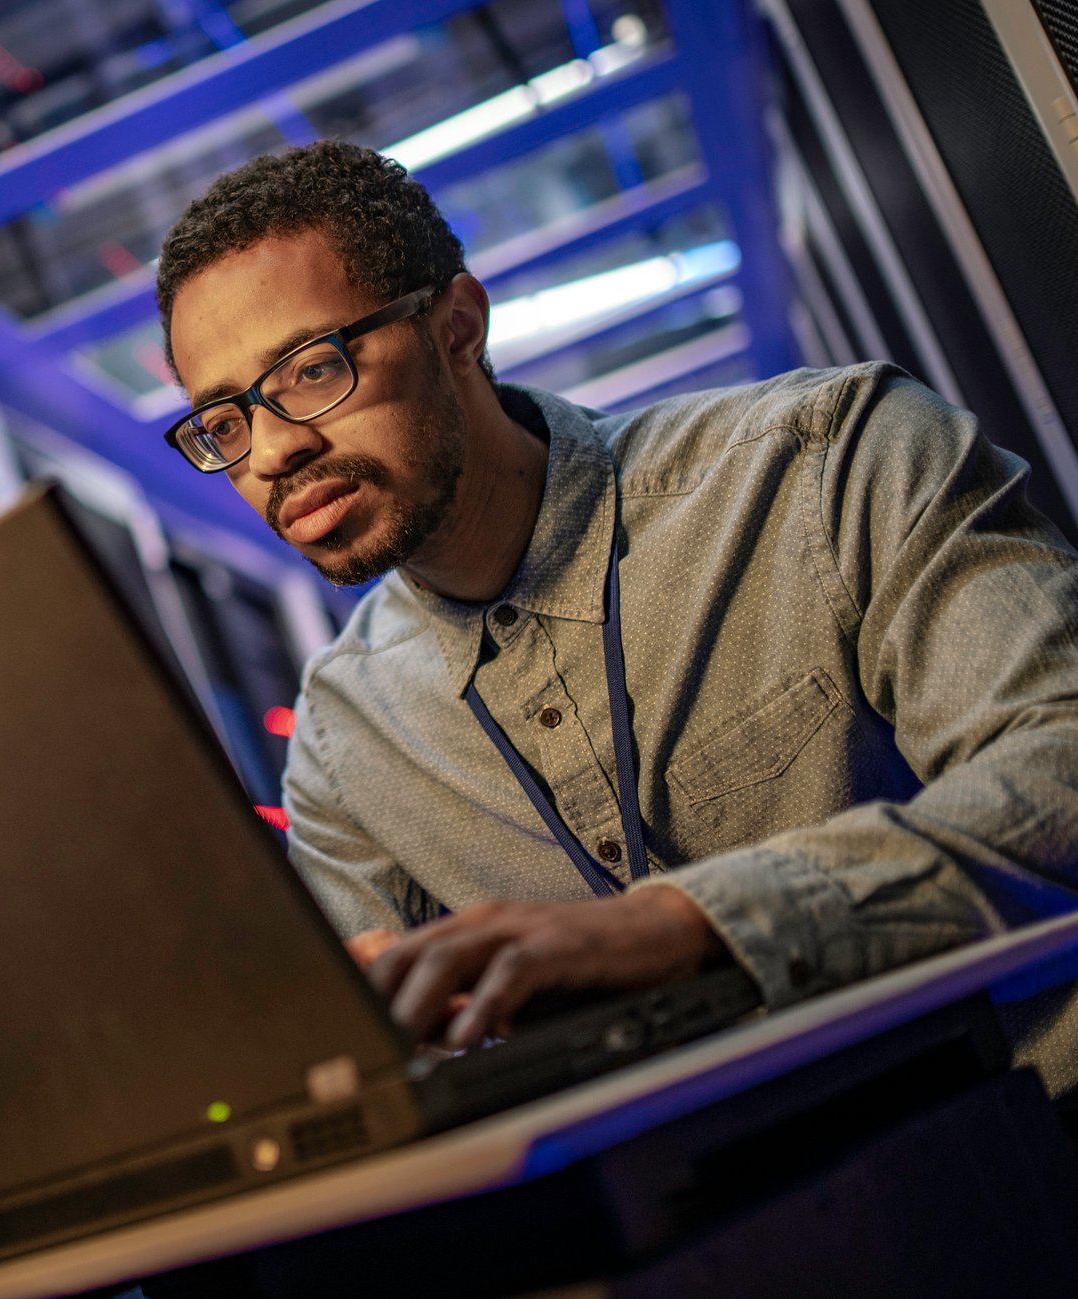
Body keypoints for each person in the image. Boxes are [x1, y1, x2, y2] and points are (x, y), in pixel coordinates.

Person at [154, 140, 1078, 1079]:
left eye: (310, 369)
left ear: (457, 329)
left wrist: (688, 927)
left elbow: (1061, 765)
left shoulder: (825, 464)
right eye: (222, 422)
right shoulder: (344, 741)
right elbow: (381, 1078)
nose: (269, 452)